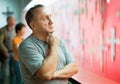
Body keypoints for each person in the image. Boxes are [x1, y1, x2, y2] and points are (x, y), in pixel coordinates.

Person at [18, 4, 78, 84]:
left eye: (50, 16)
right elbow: (45, 74)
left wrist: (54, 75)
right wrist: (54, 46)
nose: (51, 22)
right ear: (33, 25)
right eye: (45, 18)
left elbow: (74, 67)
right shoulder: (27, 46)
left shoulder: (59, 41)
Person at [0, 16, 16, 84]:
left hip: (14, 53)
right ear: (8, 21)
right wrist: (5, 51)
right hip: (6, 53)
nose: (15, 21)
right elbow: (0, 42)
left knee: (12, 70)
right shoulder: (2, 30)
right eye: (13, 20)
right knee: (3, 71)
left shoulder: (14, 30)